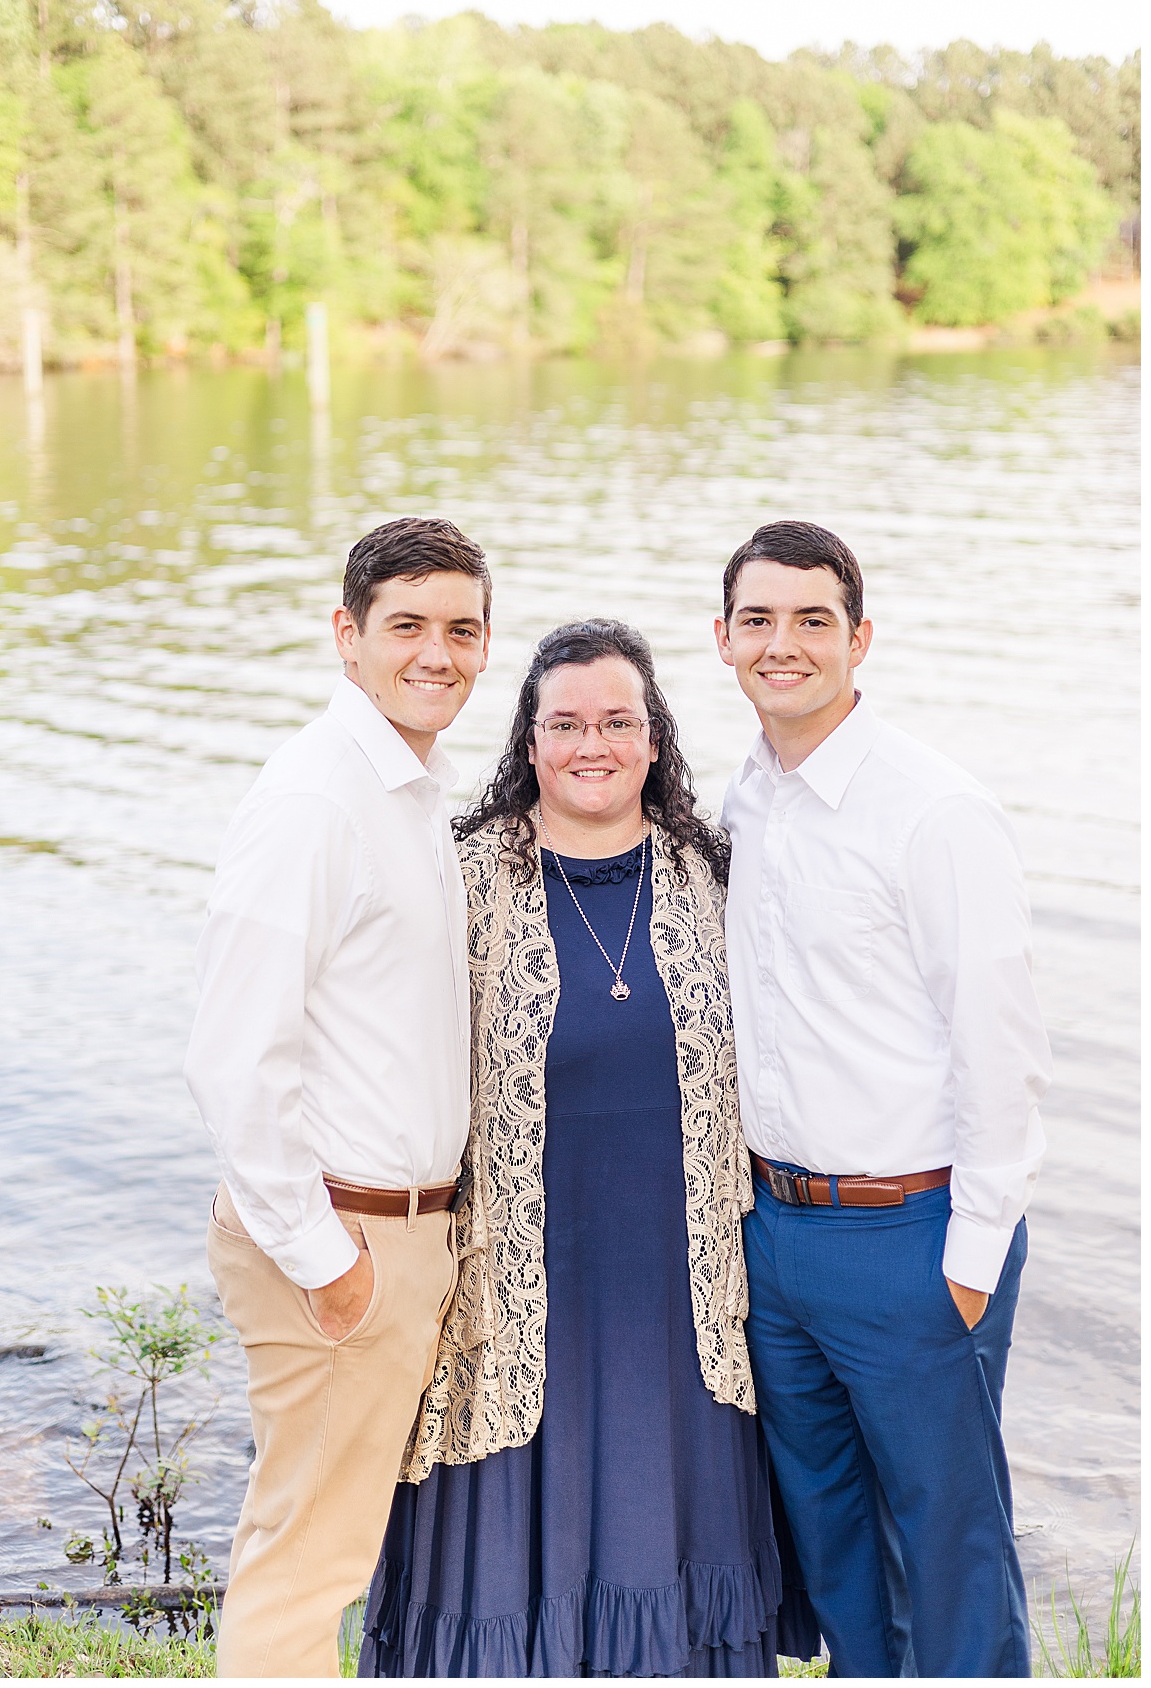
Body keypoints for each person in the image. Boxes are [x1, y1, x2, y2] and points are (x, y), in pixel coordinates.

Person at [358, 618, 820, 1679]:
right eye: (564, 723)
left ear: (655, 738)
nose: (592, 743)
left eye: (618, 720)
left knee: (675, 1545)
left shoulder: (717, 875)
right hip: (515, 1298)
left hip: (684, 1300)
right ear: (529, 743)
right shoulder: (459, 878)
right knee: (518, 1568)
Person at [715, 519, 1051, 1678]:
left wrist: (972, 1254)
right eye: (759, 618)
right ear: (723, 638)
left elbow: (999, 1043)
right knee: (834, 1540)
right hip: (777, 1233)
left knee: (948, 1544)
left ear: (861, 638)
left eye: (813, 619)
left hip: (914, 1233)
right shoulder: (744, 799)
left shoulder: (933, 809)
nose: (784, 643)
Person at [184, 516, 491, 1677]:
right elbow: (233, 1055)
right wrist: (329, 1261)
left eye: (461, 629)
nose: (436, 653)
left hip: (397, 1230)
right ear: (346, 636)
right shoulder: (317, 799)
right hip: (340, 1235)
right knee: (305, 1561)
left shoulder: (408, 793)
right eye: (405, 625)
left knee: (327, 1549)